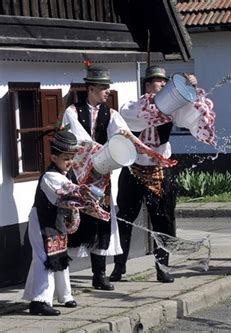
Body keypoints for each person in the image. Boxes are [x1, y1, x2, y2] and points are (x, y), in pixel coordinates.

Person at [111, 66, 216, 283]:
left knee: (164, 221)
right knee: (125, 219)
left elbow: (194, 117)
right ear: (148, 85)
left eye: (164, 82)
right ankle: (119, 266)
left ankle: (162, 267)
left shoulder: (173, 110)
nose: (162, 85)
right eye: (158, 82)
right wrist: (159, 106)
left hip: (160, 169)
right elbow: (139, 118)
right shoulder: (133, 106)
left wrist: (192, 89)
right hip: (133, 168)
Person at [23, 130, 109, 315]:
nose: (70, 162)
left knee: (59, 256)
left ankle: (65, 295)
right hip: (42, 221)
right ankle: (39, 301)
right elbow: (69, 191)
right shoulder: (50, 176)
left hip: (56, 220)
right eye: (65, 158)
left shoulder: (65, 173)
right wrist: (87, 194)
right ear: (54, 157)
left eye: (71, 158)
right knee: (45, 259)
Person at [62, 66, 129, 290]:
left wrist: (124, 143)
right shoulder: (72, 111)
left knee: (102, 221)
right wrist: (100, 150)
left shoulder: (111, 114)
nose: (107, 91)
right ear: (91, 88)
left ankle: (99, 274)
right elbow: (78, 138)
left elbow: (121, 134)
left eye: (107, 88)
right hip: (79, 176)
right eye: (103, 87)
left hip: (102, 176)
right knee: (74, 220)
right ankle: (60, 274)